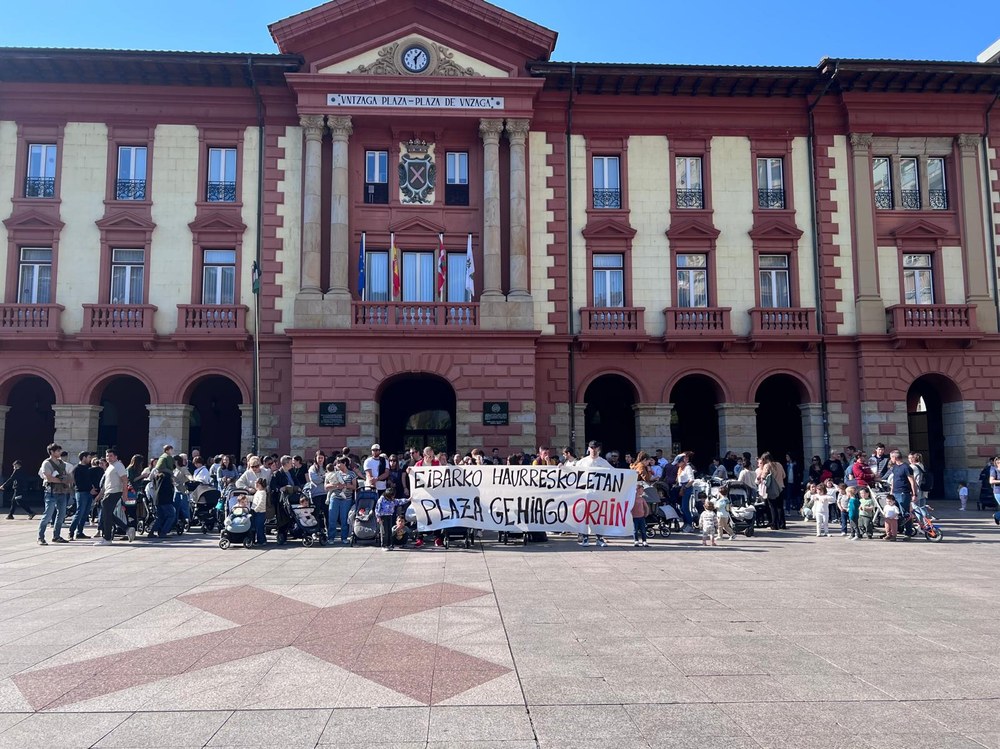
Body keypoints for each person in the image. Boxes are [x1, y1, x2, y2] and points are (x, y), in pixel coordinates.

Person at [575, 440, 611, 547]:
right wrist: (562, 468)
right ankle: (585, 537)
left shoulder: (603, 462)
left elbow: (615, 474)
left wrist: (630, 474)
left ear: (599, 449)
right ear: (589, 449)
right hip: (585, 494)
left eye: (595, 448)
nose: (593, 450)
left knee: (598, 516)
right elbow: (572, 473)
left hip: (598, 494)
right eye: (592, 448)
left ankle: (599, 538)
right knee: (585, 516)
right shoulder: (582, 462)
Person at [37, 443, 71, 545]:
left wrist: (66, 480)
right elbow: (48, 477)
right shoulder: (46, 463)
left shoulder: (62, 463)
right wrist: (62, 481)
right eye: (58, 451)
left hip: (62, 491)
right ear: (52, 452)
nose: (60, 452)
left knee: (61, 515)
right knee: (47, 515)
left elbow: (68, 476)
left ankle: (56, 536)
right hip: (51, 491)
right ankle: (40, 537)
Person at [95, 449, 128, 546]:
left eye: (111, 456)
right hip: (108, 492)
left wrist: (125, 494)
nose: (108, 458)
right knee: (107, 514)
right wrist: (100, 495)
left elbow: (125, 480)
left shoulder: (118, 466)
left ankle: (107, 538)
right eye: (107, 456)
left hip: (115, 492)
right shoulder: (110, 467)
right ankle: (126, 528)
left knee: (106, 515)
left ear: (116, 456)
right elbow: (106, 484)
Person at [325, 457, 356, 544]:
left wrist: (346, 485)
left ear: (344, 463)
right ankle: (331, 537)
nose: (337, 465)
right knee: (332, 518)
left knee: (344, 519)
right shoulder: (333, 473)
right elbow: (326, 487)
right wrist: (336, 486)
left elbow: (354, 487)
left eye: (339, 463)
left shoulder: (351, 474)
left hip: (346, 499)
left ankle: (344, 537)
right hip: (334, 497)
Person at [888, 449, 917, 537]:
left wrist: (914, 494)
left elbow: (912, 481)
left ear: (894, 457)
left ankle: (908, 533)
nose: (890, 459)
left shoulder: (906, 467)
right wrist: (891, 492)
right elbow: (894, 480)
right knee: (895, 513)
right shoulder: (895, 467)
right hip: (895, 493)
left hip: (903, 493)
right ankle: (896, 531)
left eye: (891, 457)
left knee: (905, 513)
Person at [69, 451, 95, 539]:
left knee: (85, 513)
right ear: (84, 457)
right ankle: (71, 532)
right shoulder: (77, 468)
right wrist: (89, 489)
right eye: (88, 457)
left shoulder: (87, 468)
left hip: (88, 493)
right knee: (80, 512)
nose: (90, 459)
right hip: (81, 492)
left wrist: (92, 488)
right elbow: (78, 483)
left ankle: (80, 532)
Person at [375, 484, 400, 550]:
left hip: (390, 515)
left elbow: (398, 501)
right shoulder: (381, 500)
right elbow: (377, 509)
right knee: (384, 531)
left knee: (389, 530)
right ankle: (384, 545)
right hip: (383, 516)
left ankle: (389, 544)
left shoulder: (392, 499)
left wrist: (408, 499)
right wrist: (378, 517)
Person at [250, 477, 268, 545]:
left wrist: (256, 509)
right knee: (256, 526)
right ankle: (258, 540)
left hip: (260, 512)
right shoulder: (258, 492)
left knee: (259, 527)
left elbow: (261, 502)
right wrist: (246, 497)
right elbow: (254, 499)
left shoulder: (263, 492)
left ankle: (262, 540)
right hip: (255, 512)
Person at [631, 483, 649, 547]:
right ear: (637, 490)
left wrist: (646, 513)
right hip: (634, 517)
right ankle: (636, 540)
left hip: (641, 517)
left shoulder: (642, 499)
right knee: (635, 530)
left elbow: (646, 507)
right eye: (642, 490)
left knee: (643, 530)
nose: (643, 491)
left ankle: (644, 541)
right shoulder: (632, 499)